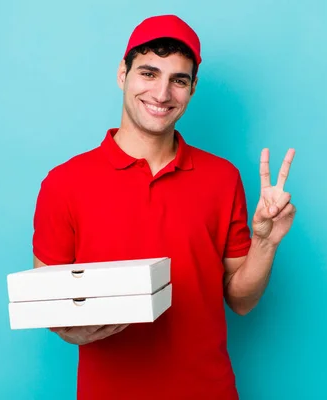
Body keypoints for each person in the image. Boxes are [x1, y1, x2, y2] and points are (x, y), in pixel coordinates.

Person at [32, 14, 296, 400]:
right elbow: (49, 303)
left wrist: (266, 243)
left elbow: (240, 300)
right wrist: (71, 329)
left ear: (192, 90)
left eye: (179, 80)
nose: (162, 93)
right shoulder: (64, 182)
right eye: (149, 73)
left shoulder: (222, 178)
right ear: (123, 74)